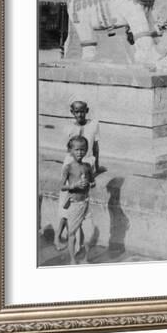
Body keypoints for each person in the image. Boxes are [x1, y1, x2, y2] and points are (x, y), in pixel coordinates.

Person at [54, 100, 100, 251]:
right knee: (65, 204)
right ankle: (57, 237)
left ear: (87, 110)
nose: (80, 114)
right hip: (72, 165)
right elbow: (68, 149)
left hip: (87, 165)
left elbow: (95, 146)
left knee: (81, 204)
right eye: (76, 112)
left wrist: (96, 167)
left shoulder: (94, 125)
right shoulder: (68, 127)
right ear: (72, 112)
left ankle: (76, 241)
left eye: (82, 111)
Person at [60, 135, 96, 264]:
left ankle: (86, 258)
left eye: (83, 149)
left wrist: (90, 183)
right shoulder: (68, 167)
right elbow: (61, 186)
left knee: (90, 233)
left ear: (86, 150)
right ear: (71, 151)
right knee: (72, 233)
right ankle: (73, 260)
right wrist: (74, 185)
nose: (80, 152)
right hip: (74, 204)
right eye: (77, 149)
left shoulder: (87, 166)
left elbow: (93, 182)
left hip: (86, 203)